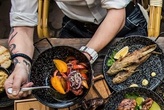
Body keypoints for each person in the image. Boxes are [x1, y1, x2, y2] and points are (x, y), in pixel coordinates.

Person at [5, 0, 147, 99]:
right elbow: (21, 27)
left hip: (124, 23)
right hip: (76, 27)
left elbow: (117, 14)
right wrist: (21, 66)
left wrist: (85, 56)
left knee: (134, 87)